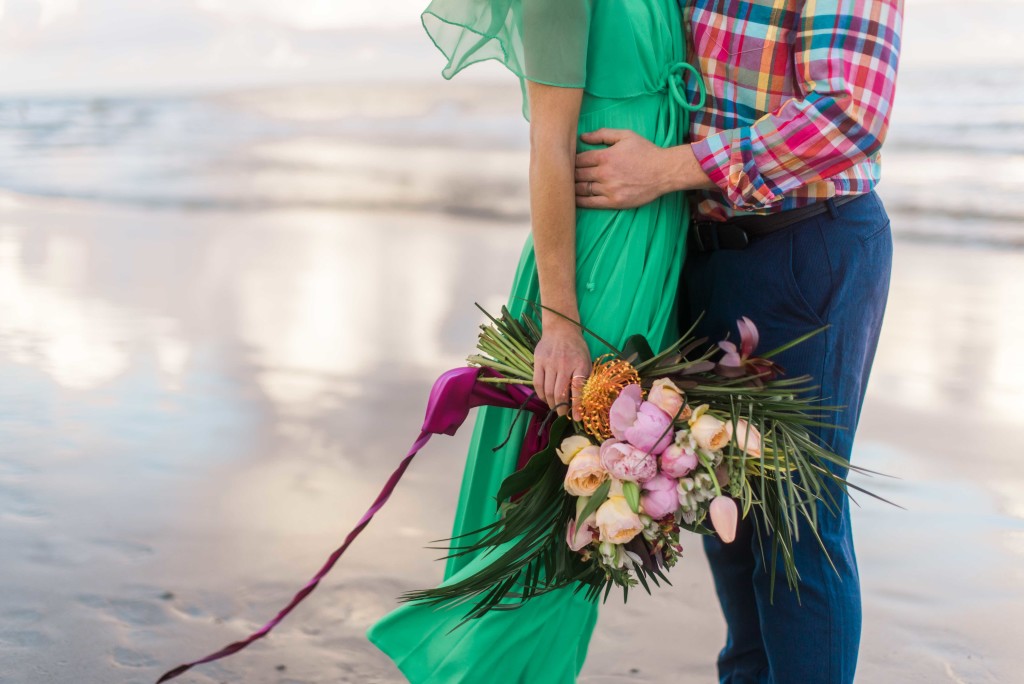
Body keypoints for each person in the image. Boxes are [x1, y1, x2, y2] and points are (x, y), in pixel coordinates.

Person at [365, 0, 705, 680]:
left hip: (652, 251)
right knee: (561, 517)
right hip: (593, 269)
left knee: (598, 522)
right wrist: (559, 323)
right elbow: (549, 145)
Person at [573, 1, 905, 682]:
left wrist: (667, 169)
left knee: (796, 523)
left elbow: (849, 115)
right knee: (727, 510)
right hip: (701, 249)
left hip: (806, 245)